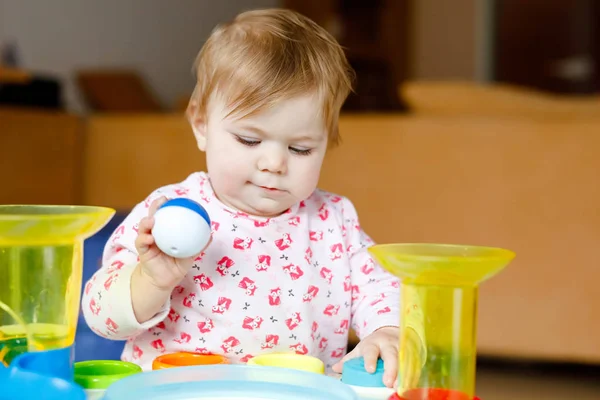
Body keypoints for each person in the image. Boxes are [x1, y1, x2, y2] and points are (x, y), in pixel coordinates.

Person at [82, 8, 422, 389]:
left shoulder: (333, 219)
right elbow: (102, 319)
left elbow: (380, 286)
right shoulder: (167, 213)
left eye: (301, 148)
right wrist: (150, 280)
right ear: (201, 124)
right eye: (249, 140)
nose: (274, 163)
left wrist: (387, 330)